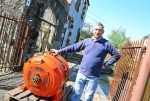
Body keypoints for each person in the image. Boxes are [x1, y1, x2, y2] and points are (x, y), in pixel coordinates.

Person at [50, 22, 121, 101]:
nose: (97, 32)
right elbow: (74, 47)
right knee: (76, 96)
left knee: (88, 98)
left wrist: (105, 65)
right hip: (81, 73)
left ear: (103, 32)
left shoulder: (107, 44)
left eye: (100, 30)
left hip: (93, 77)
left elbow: (117, 55)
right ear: (93, 30)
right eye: (96, 29)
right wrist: (59, 51)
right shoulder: (87, 41)